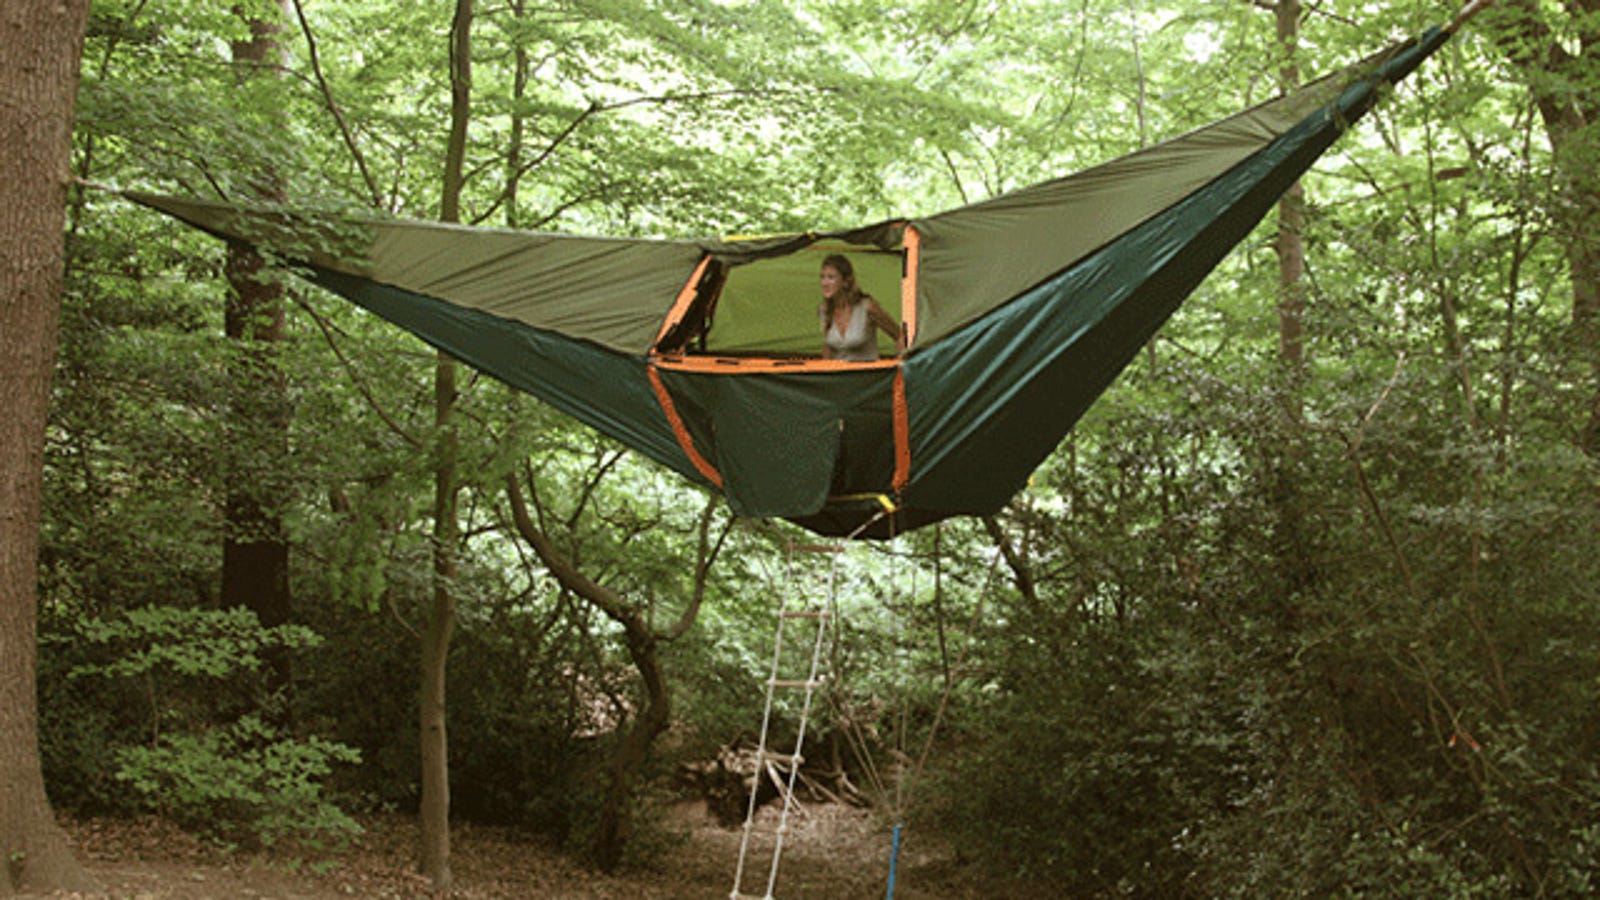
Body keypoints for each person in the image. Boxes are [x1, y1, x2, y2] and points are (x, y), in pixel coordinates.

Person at [818, 254, 903, 361]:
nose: (824, 283)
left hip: (867, 375)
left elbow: (900, 336)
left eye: (831, 277)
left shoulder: (867, 307)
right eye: (822, 277)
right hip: (839, 375)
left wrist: (898, 366)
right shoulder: (824, 309)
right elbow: (827, 348)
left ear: (845, 282)